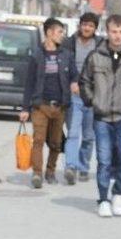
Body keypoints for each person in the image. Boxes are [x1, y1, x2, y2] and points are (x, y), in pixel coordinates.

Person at [80, 14, 121, 218]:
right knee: (104, 159)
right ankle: (103, 199)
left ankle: (118, 192)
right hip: (102, 116)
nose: (117, 36)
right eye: (114, 32)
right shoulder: (95, 56)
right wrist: (92, 100)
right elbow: (84, 82)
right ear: (107, 32)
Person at [20, 18, 79, 189]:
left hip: (60, 106)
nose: (62, 36)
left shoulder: (66, 55)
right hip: (41, 105)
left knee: (55, 142)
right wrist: (25, 108)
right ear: (49, 33)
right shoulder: (37, 55)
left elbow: (74, 74)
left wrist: (74, 82)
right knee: (38, 140)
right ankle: (37, 174)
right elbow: (29, 83)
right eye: (60, 32)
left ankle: (50, 171)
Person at [62, 12, 103, 185]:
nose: (87, 28)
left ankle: (84, 166)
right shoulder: (69, 43)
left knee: (88, 136)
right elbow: (63, 64)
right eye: (84, 24)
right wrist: (72, 81)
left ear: (95, 28)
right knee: (72, 133)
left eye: (91, 26)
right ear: (79, 25)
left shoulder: (101, 45)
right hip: (74, 95)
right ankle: (70, 167)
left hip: (93, 96)